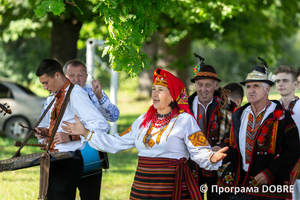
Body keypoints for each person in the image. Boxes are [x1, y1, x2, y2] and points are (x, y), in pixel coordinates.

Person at [62, 68, 228, 200]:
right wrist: (85, 133)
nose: (154, 94)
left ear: (172, 96)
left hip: (170, 187)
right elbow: (116, 142)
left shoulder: (185, 120)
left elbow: (198, 149)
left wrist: (211, 158)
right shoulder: (143, 120)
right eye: (153, 89)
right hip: (142, 186)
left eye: (160, 90)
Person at [217, 58, 300, 200]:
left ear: (267, 89)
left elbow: (292, 151)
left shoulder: (281, 116)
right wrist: (219, 151)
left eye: (256, 86)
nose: (251, 90)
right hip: (241, 184)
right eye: (248, 87)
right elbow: (231, 144)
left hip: (271, 188)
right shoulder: (239, 114)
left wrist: (270, 173)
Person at [35, 58, 110, 200]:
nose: (44, 87)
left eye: (46, 82)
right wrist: (47, 133)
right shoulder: (55, 96)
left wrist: (71, 137)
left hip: (70, 160)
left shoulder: (75, 94)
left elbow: (101, 125)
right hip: (55, 160)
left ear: (57, 75)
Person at [61, 59, 120, 200]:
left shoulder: (93, 92)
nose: (76, 79)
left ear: (86, 77)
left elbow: (114, 116)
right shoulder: (59, 95)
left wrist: (100, 96)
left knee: (90, 195)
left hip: (91, 152)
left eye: (80, 75)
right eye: (71, 75)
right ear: (64, 77)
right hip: (66, 153)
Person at [188, 54, 235, 200]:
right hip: (191, 166)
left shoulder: (228, 107)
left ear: (216, 85)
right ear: (195, 85)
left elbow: (236, 133)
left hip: (219, 168)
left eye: (208, 85)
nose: (203, 89)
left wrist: (221, 145)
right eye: (200, 84)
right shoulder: (185, 107)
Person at [274, 65, 300, 200]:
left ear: (295, 84)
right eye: (278, 81)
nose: (280, 84)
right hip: (275, 167)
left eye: (285, 81)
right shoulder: (271, 108)